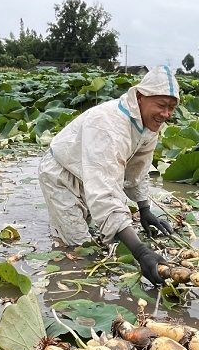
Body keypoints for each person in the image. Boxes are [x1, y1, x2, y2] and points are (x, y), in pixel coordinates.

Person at [38, 66, 179, 285]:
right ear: (140, 97)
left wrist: (144, 209)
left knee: (94, 233)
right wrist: (141, 252)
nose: (166, 114)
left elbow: (138, 170)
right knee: (80, 249)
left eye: (172, 107)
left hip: (88, 175)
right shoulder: (109, 126)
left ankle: (64, 227)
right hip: (61, 174)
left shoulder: (149, 125)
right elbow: (104, 193)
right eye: (161, 105)